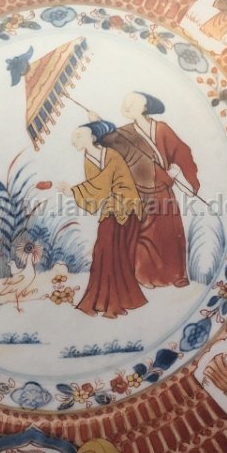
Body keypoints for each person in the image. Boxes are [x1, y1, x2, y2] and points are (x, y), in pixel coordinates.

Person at [95, 92, 200, 288]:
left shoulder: (162, 129)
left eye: (133, 102)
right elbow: (108, 144)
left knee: (169, 233)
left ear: (145, 107)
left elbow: (182, 152)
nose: (127, 105)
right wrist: (98, 125)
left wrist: (182, 175)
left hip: (162, 191)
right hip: (138, 191)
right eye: (125, 102)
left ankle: (176, 275)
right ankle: (144, 276)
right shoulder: (123, 133)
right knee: (142, 234)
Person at [57, 121, 146, 318]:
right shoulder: (88, 160)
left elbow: (102, 183)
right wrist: (76, 192)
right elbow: (97, 190)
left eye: (79, 135)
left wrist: (73, 191)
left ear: (92, 137)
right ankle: (107, 302)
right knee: (105, 253)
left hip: (126, 205)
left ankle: (113, 303)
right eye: (73, 137)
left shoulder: (111, 154)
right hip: (111, 208)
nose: (74, 139)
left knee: (112, 253)